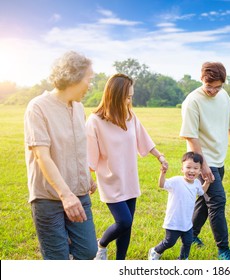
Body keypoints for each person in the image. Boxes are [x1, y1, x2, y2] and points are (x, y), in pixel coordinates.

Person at [86, 73, 168, 260]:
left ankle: (120, 263)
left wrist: (160, 156)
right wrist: (87, 177)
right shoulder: (95, 121)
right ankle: (101, 245)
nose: (130, 100)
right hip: (110, 180)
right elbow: (89, 157)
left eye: (131, 96)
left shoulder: (130, 116)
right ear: (114, 96)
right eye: (127, 96)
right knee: (123, 221)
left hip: (129, 178)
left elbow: (144, 139)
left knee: (127, 225)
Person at [24, 51, 98, 260]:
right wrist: (66, 196)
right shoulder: (37, 107)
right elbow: (42, 156)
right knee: (57, 258)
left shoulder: (79, 107)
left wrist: (85, 175)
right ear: (73, 77)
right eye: (89, 79)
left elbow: (76, 148)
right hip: (49, 198)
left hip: (80, 194)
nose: (90, 85)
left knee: (88, 251)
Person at [179, 62, 230, 260]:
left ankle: (191, 236)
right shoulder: (192, 101)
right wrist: (204, 166)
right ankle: (224, 250)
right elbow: (191, 137)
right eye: (210, 87)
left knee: (204, 201)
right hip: (202, 161)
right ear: (202, 79)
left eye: (218, 87)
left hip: (219, 159)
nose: (214, 91)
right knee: (217, 201)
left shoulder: (223, 96)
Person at [148, 152, 210, 260]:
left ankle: (182, 259)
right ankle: (155, 251)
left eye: (195, 168)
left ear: (200, 171)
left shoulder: (196, 183)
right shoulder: (176, 181)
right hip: (174, 221)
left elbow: (201, 192)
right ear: (182, 169)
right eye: (188, 167)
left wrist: (207, 182)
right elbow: (162, 185)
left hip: (187, 222)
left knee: (188, 242)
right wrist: (162, 173)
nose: (191, 170)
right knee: (169, 242)